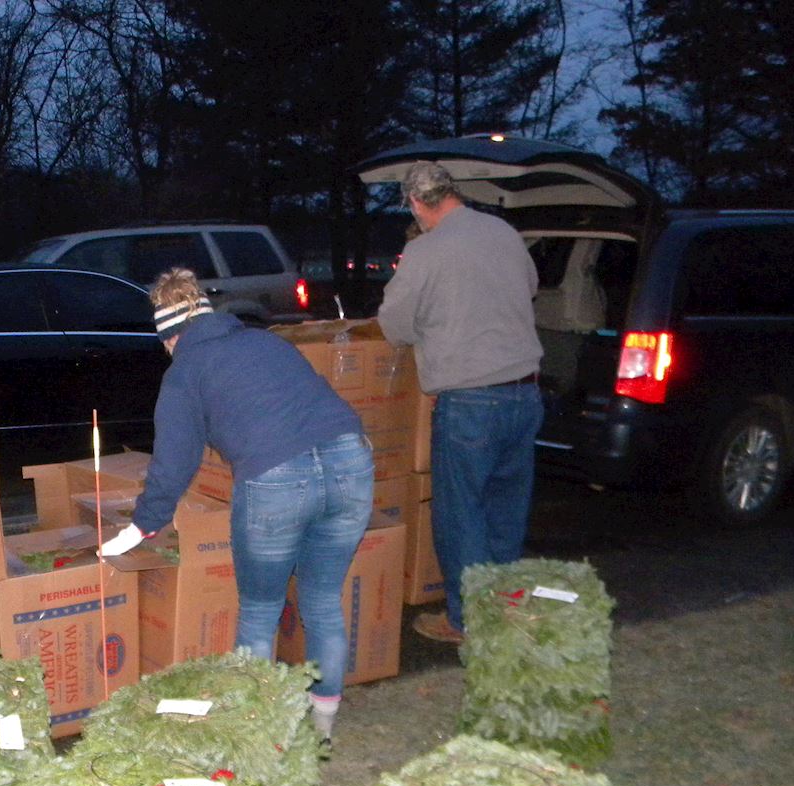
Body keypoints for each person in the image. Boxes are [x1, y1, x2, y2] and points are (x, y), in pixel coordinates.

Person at [98, 268, 373, 742]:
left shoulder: (184, 371)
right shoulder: (269, 343)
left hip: (276, 479)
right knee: (324, 600)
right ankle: (323, 725)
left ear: (169, 337)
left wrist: (142, 526)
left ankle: (260, 733)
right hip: (351, 461)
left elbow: (173, 463)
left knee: (261, 610)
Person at [376, 160, 544, 645]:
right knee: (506, 514)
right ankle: (504, 612)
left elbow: (395, 326)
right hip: (525, 393)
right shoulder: (503, 232)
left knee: (462, 515)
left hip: (472, 402)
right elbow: (529, 288)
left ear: (415, 202)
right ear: (453, 191)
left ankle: (467, 621)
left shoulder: (425, 252)